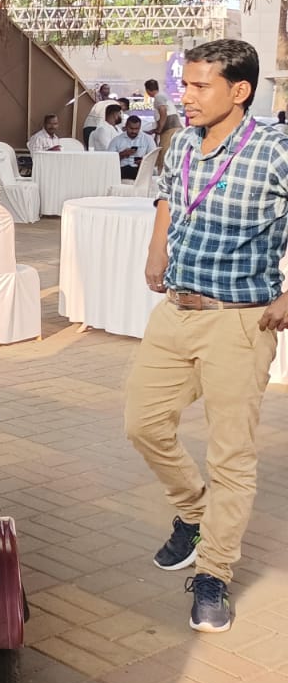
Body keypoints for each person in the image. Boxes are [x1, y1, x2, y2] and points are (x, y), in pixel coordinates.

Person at [125, 38, 288, 633]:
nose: (185, 96)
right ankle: (195, 514)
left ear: (239, 90)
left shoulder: (275, 150)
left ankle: (215, 571)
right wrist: (157, 249)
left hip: (241, 320)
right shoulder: (183, 142)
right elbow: (169, 196)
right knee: (143, 424)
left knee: (231, 455)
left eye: (199, 86)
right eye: (184, 84)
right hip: (176, 312)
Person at [146, 76, 183, 171]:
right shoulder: (161, 96)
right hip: (168, 129)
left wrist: (159, 129)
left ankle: (162, 176)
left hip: (170, 129)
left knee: (164, 154)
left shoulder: (159, 97)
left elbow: (163, 111)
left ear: (148, 90)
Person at [110, 113, 155, 179]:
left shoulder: (148, 139)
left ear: (140, 127)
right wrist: (122, 154)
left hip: (140, 170)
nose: (134, 131)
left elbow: (153, 157)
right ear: (126, 126)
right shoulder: (117, 140)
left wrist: (144, 162)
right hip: (121, 170)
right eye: (131, 128)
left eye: (136, 129)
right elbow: (109, 159)